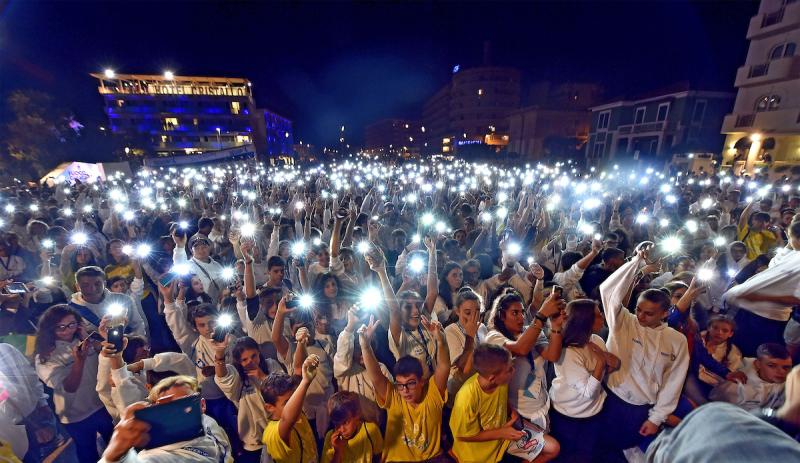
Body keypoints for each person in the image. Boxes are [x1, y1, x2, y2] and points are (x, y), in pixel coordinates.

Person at [598, 242, 689, 456]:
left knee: (627, 453)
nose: (640, 316)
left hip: (641, 409)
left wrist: (656, 418)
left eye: (649, 313)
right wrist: (635, 261)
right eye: (638, 309)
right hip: (611, 400)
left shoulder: (677, 340)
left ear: (665, 313)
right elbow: (607, 291)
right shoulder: (624, 322)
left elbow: (673, 382)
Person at [359, 314, 451, 462]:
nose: (405, 390)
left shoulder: (433, 392)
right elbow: (376, 377)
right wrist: (365, 346)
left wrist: (441, 340)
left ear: (422, 381)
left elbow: (444, 366)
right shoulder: (395, 396)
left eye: (411, 383)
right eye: (400, 385)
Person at [484, 289, 563, 461]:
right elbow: (520, 348)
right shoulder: (494, 337)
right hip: (515, 413)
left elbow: (552, 355)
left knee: (539, 455)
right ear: (501, 315)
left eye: (521, 312)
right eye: (514, 313)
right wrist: (541, 316)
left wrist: (556, 326)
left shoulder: (532, 330)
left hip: (540, 407)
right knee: (549, 450)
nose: (521, 317)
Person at [34, 304, 114, 462]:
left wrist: (90, 337)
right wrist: (79, 361)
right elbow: (70, 387)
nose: (67, 330)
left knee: (115, 442)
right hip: (76, 415)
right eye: (60, 327)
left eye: (72, 324)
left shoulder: (85, 339)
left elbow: (109, 354)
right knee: (87, 451)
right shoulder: (45, 356)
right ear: (50, 329)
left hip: (101, 404)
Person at [99, 375, 234, 463]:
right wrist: (114, 457)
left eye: (182, 405)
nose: (176, 414)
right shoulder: (158, 456)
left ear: (202, 405)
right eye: (168, 408)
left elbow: (224, 446)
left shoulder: (207, 421)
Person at [549, 299, 619, 462]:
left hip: (593, 412)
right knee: (568, 456)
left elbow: (610, 367)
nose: (602, 317)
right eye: (597, 315)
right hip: (569, 415)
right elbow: (588, 392)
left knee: (586, 454)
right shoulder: (569, 352)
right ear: (585, 320)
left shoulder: (596, 339)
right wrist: (602, 362)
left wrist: (608, 364)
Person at [0, 342, 79, 462]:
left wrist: (42, 402)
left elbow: (30, 377)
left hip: (33, 412)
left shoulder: (5, 350)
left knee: (47, 451)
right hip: (9, 428)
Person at [449, 344, 523, 463]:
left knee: (552, 448)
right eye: (509, 370)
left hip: (502, 442)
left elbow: (501, 400)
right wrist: (501, 433)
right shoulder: (466, 398)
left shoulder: (501, 381)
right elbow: (462, 435)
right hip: (476, 457)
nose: (514, 371)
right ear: (492, 378)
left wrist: (511, 411)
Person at [213, 336, 274, 463]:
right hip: (253, 444)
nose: (251, 361)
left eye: (254, 356)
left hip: (278, 435)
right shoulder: (237, 376)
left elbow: (283, 392)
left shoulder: (271, 364)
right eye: (244, 359)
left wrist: (263, 377)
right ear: (238, 361)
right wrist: (219, 354)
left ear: (259, 352)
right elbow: (223, 377)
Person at [260, 356, 321, 463]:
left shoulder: (298, 415)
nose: (295, 404)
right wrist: (306, 382)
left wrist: (302, 343)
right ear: (269, 407)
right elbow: (287, 419)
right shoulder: (271, 433)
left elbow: (298, 370)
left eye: (294, 398)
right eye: (287, 403)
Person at [68, 265, 148, 338]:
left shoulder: (124, 300)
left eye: (97, 284)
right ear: (78, 287)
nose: (93, 288)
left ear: (104, 284)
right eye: (86, 285)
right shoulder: (72, 310)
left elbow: (138, 326)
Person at [710, 342, 792, 411]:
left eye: (786, 367)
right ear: (758, 364)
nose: (781, 372)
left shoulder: (792, 387)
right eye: (772, 366)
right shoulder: (735, 383)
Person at [443, 286, 486, 403]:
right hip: (459, 393)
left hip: (479, 390)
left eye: (477, 311)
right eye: (467, 313)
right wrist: (470, 337)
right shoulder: (450, 331)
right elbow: (461, 368)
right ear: (457, 311)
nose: (473, 317)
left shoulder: (482, 327)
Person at [321, 391, 383, 463]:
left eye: (345, 423)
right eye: (337, 424)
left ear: (357, 415)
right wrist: (337, 452)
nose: (342, 429)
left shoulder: (370, 430)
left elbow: (380, 458)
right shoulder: (331, 438)